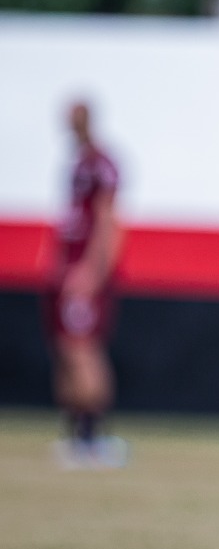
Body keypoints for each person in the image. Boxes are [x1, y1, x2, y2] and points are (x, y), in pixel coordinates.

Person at [43, 100, 128, 469]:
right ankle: (76, 434)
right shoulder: (77, 164)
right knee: (65, 350)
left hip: (83, 274)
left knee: (83, 350)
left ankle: (94, 439)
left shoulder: (101, 166)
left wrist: (91, 272)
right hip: (66, 272)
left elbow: (108, 222)